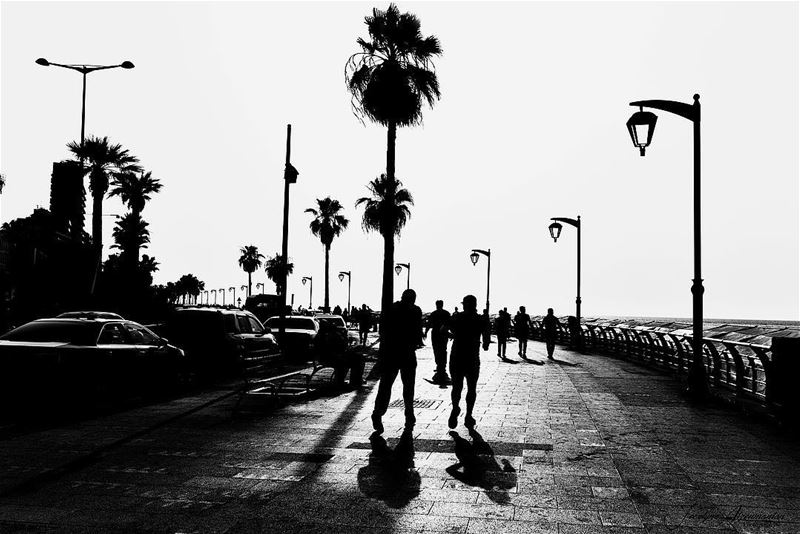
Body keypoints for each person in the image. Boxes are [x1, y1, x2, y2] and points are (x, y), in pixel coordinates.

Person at [371, 289, 424, 434]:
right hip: (407, 353)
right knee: (408, 386)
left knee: (386, 385)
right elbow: (418, 333)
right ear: (413, 299)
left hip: (391, 353)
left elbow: (384, 331)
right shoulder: (415, 310)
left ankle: (378, 413)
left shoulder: (391, 309)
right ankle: (409, 413)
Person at [445, 294, 490, 430]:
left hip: (457, 355)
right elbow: (486, 343)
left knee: (456, 386)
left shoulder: (456, 317)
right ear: (475, 305)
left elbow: (442, 330)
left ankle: (455, 408)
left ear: (464, 304)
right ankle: (469, 415)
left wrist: (454, 335)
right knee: (471, 387)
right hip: (472, 357)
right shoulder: (480, 319)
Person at [314, 321, 364, 389]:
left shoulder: (322, 335)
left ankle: (354, 381)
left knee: (357, 357)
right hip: (330, 358)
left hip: (330, 357)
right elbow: (335, 349)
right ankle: (354, 381)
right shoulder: (326, 336)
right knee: (356, 359)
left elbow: (340, 348)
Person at [425, 300, 451, 384]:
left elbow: (429, 324)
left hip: (436, 334)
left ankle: (439, 365)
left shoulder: (433, 314)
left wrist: (425, 333)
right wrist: (451, 333)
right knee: (443, 350)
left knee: (436, 350)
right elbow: (450, 323)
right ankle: (442, 366)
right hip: (444, 334)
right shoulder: (446, 313)